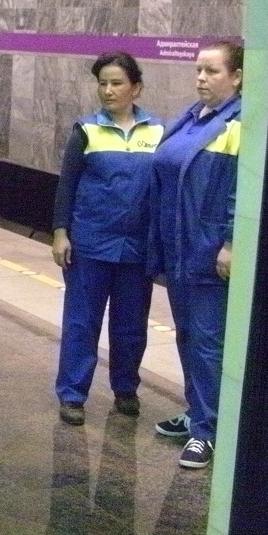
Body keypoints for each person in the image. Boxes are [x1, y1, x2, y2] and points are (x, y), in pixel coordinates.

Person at [51, 52, 163, 426]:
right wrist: (61, 232)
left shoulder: (157, 132)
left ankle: (126, 389)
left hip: (136, 249)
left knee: (131, 325)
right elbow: (67, 185)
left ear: (136, 88)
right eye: (103, 83)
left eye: (116, 83)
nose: (108, 90)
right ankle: (72, 394)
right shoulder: (86, 130)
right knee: (82, 323)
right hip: (91, 246)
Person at [150, 40, 242, 469]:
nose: (202, 78)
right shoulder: (191, 117)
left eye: (212, 71)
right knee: (187, 335)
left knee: (208, 343)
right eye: (198, 70)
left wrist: (231, 242)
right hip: (178, 248)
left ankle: (208, 432)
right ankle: (196, 412)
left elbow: (241, 189)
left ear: (237, 77)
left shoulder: (239, 122)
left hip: (207, 252)